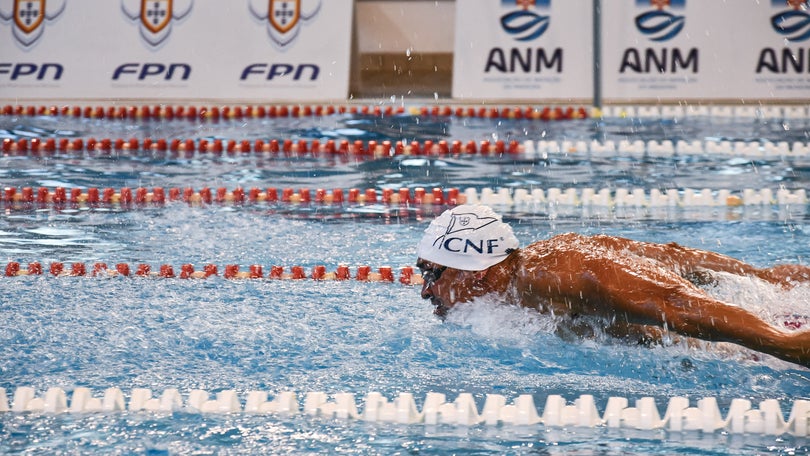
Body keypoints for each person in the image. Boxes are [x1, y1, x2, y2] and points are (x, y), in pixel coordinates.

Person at [415, 204, 810, 368]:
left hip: (734, 346)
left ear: (475, 271)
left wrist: (784, 344)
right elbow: (666, 256)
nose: (425, 290)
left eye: (434, 274)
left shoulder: (555, 276)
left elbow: (678, 305)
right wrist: (764, 278)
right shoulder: (523, 272)